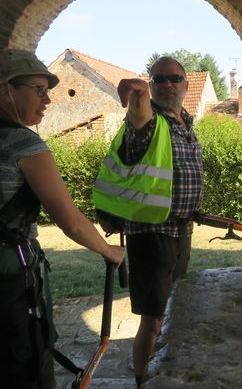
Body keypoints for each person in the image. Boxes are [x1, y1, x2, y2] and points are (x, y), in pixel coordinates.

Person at [0, 49, 125, 389]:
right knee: (23, 366)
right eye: (38, 90)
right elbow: (71, 221)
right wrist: (110, 252)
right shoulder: (25, 145)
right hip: (9, 281)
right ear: (5, 90)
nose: (48, 100)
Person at [97, 56, 203, 387]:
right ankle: (144, 381)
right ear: (152, 85)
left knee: (172, 312)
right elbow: (138, 123)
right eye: (160, 79)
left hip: (181, 232)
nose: (168, 84)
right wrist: (136, 102)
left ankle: (163, 371)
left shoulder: (186, 124)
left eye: (175, 78)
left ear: (186, 84)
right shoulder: (150, 123)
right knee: (154, 318)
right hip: (151, 235)